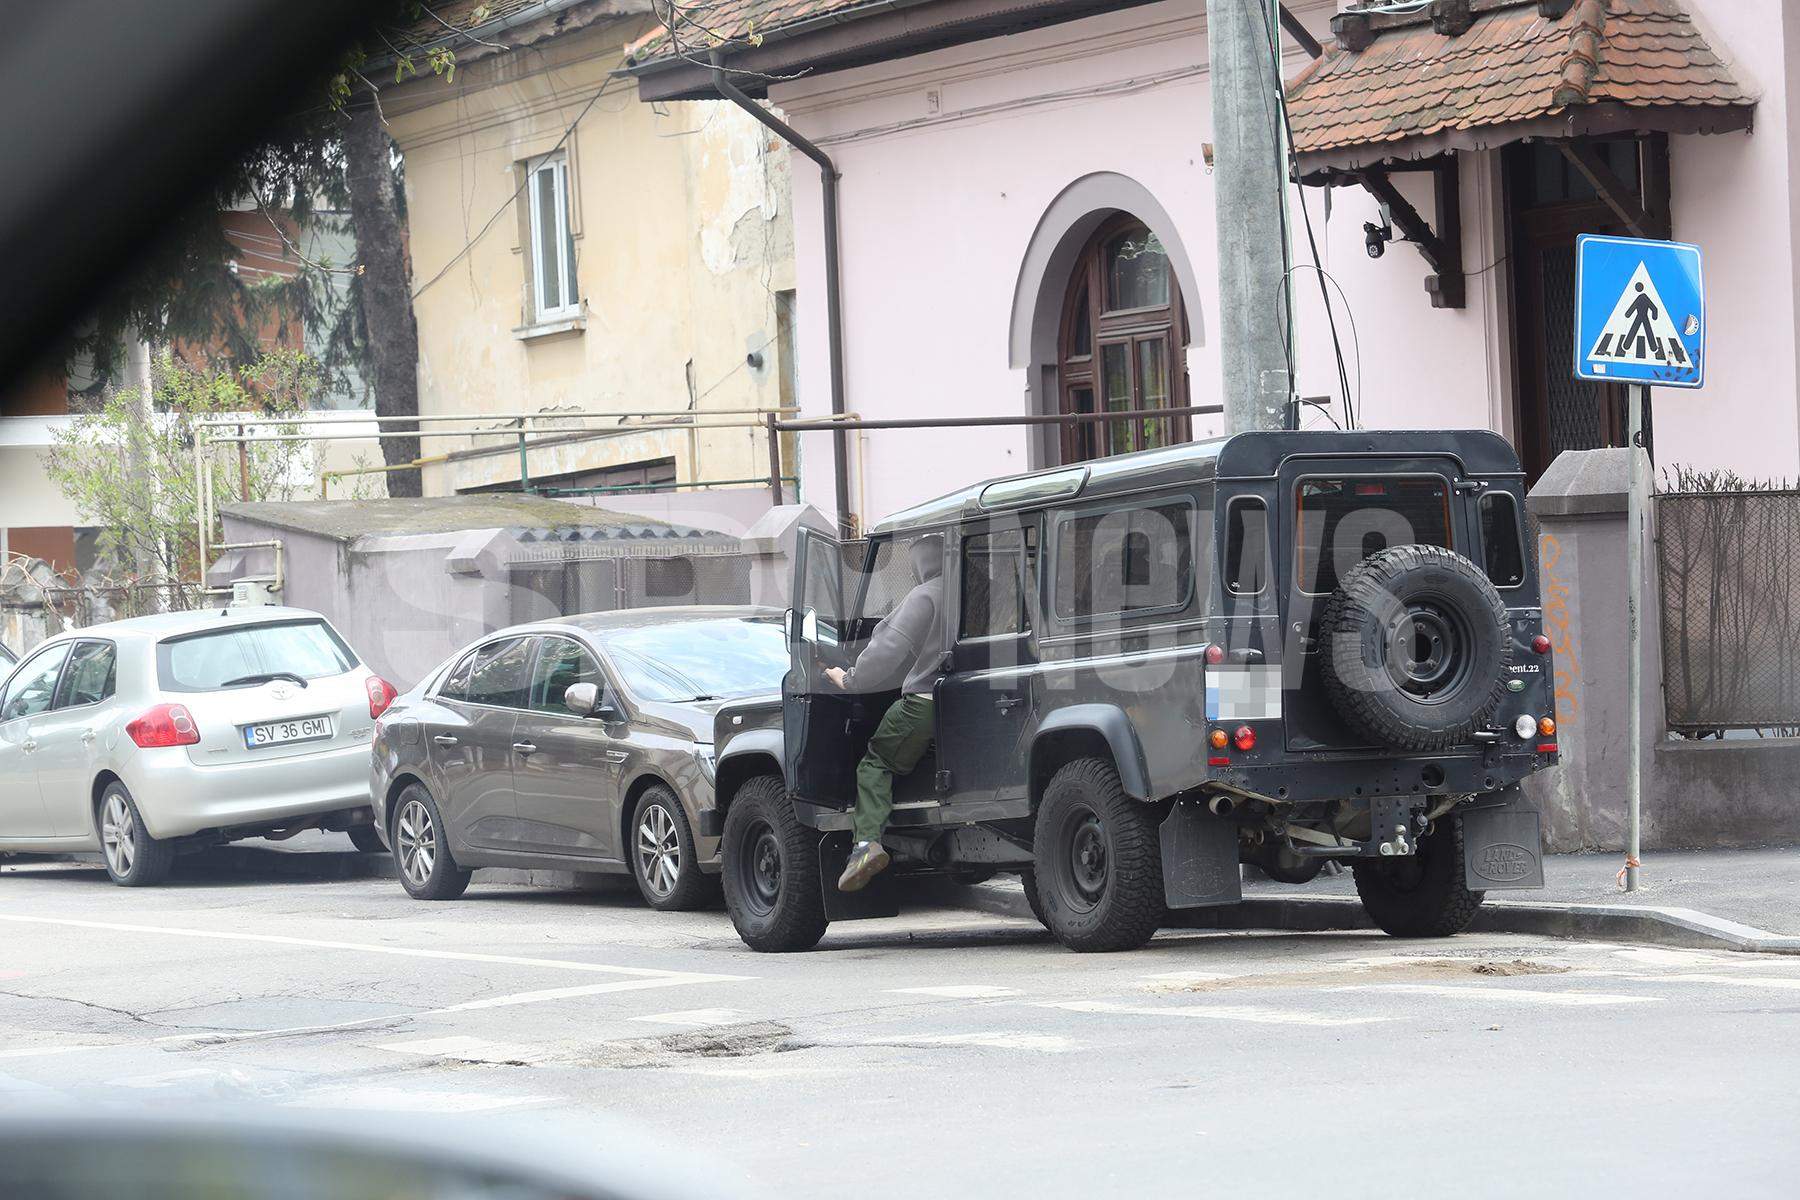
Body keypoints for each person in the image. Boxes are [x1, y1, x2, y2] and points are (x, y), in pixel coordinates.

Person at [825, 533, 945, 892]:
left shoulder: (926, 594)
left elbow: (888, 651)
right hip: (972, 703)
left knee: (876, 763)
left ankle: (865, 846)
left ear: (921, 562)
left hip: (925, 704)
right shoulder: (978, 589)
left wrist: (848, 679)